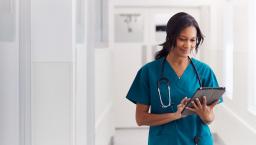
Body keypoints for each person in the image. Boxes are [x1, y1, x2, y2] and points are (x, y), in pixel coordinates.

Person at [126, 12, 222, 145]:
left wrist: (206, 116)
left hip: (197, 140)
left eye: (192, 40)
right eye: (182, 39)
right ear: (171, 37)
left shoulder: (204, 72)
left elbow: (210, 117)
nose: (188, 45)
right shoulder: (148, 72)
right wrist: (174, 115)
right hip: (163, 141)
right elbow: (140, 118)